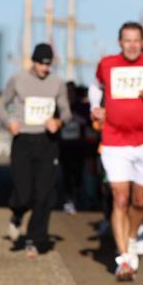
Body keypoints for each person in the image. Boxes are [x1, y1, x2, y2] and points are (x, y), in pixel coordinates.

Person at [89, 23, 143, 280]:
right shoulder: (107, 64)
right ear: (119, 42)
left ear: (142, 43)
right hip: (115, 141)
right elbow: (96, 86)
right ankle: (124, 258)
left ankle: (131, 235)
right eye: (127, 40)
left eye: (136, 40)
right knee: (120, 198)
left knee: (140, 200)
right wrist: (95, 106)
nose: (131, 45)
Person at [0, 43, 71, 258]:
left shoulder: (58, 83)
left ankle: (34, 238)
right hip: (22, 140)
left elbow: (67, 111)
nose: (45, 69)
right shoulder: (18, 79)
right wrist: (8, 122)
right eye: (41, 64)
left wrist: (58, 122)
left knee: (44, 194)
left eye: (49, 65)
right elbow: (2, 105)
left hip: (47, 141)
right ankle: (17, 213)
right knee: (23, 192)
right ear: (34, 61)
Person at [59, 81, 91, 214]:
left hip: (78, 146)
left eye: (71, 91)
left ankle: (77, 195)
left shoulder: (82, 106)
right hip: (64, 146)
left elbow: (89, 121)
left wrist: (76, 117)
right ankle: (68, 199)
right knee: (66, 173)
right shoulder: (60, 107)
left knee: (78, 172)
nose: (69, 93)